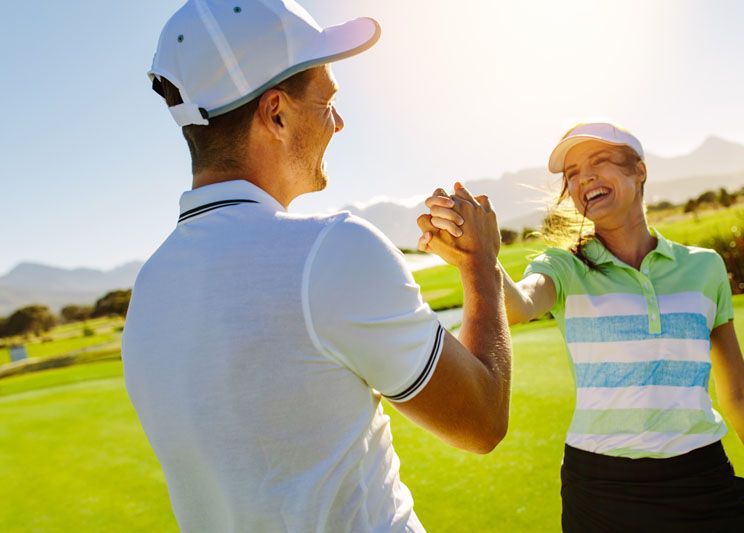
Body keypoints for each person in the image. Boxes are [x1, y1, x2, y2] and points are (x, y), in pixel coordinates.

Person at [122, 1, 512, 531]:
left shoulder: (150, 287)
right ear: (276, 113)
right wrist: (481, 266)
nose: (340, 122)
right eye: (328, 101)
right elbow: (481, 421)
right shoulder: (335, 249)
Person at [418, 122, 744, 532]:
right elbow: (519, 304)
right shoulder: (564, 266)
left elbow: (739, 392)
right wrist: (479, 258)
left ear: (639, 171)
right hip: (602, 490)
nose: (584, 179)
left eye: (599, 163)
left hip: (703, 479)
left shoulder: (704, 266)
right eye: (572, 175)